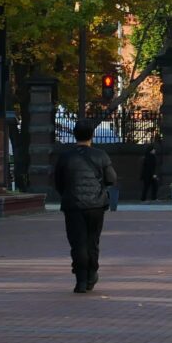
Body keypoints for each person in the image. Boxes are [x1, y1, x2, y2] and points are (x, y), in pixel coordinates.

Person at [52, 118, 120, 294]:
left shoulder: (65, 157)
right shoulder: (101, 155)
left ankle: (81, 279)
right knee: (92, 240)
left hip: (73, 205)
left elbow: (58, 182)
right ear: (92, 135)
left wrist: (67, 194)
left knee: (77, 242)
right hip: (96, 205)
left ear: (74, 135)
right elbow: (111, 178)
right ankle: (92, 272)